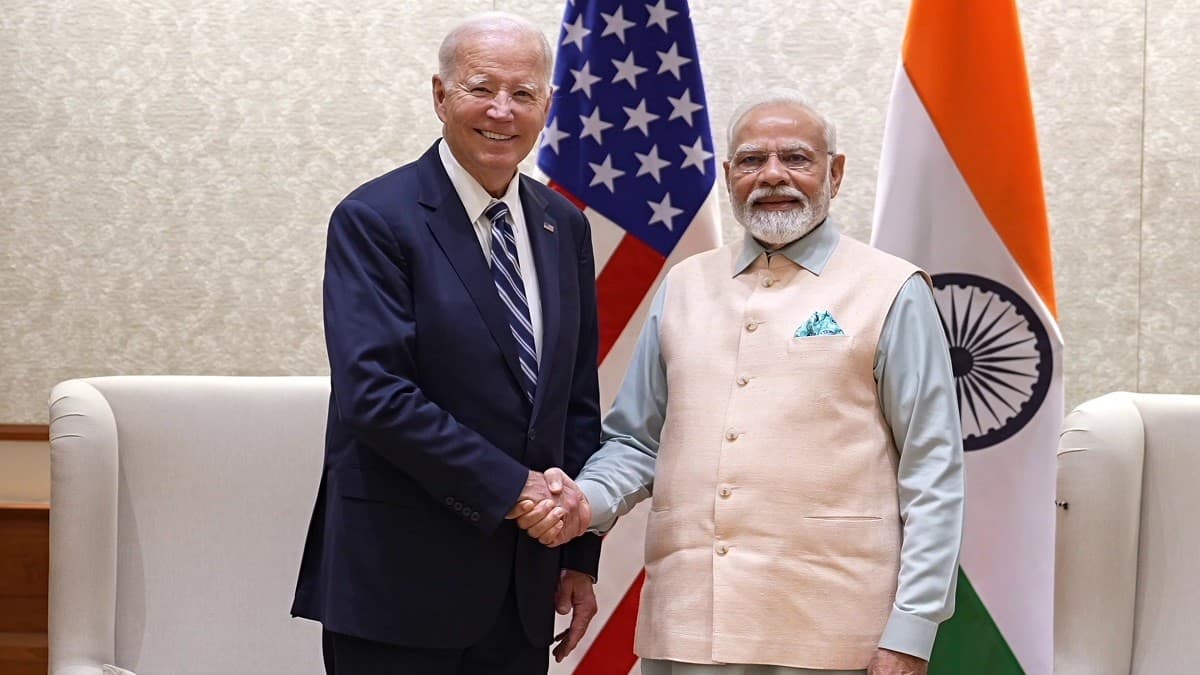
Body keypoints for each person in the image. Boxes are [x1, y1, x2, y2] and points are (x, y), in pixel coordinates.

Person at [515, 91, 965, 675]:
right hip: (686, 631)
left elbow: (933, 468)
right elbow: (637, 442)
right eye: (752, 160)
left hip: (833, 635)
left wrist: (912, 630)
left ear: (836, 172)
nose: (773, 175)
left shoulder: (892, 289)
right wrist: (582, 504)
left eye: (797, 158)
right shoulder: (685, 285)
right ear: (728, 177)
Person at [291, 12, 600, 675]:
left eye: (523, 94)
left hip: (523, 588)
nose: (502, 110)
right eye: (481, 87)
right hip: (397, 586)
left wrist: (577, 554)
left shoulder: (563, 225)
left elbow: (574, 398)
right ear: (440, 95)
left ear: (548, 105)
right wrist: (516, 491)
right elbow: (375, 395)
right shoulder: (375, 219)